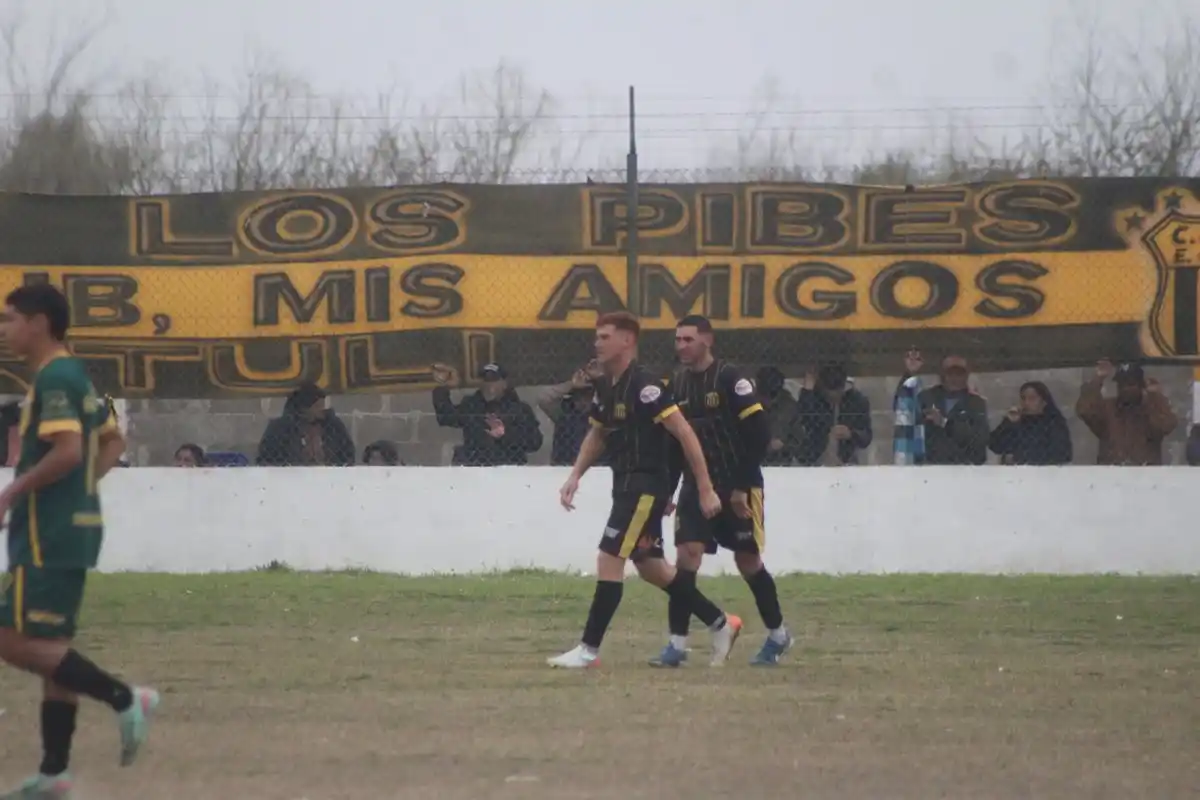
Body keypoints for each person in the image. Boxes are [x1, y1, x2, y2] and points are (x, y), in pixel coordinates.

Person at [0, 284, 159, 799]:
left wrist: (14, 493)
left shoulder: (58, 377)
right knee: (51, 648)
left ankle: (124, 698)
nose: (4, 330)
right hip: (68, 525)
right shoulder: (75, 374)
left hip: (48, 532)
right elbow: (113, 438)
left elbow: (68, 450)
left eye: (10, 319)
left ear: (39, 322)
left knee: (11, 636)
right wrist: (81, 491)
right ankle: (54, 773)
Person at [548, 311, 742, 669]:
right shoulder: (606, 384)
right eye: (597, 336)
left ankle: (588, 650)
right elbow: (598, 433)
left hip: (644, 487)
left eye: (605, 337)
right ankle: (721, 623)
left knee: (609, 558)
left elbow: (685, 434)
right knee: (652, 567)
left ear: (627, 340)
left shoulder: (646, 385)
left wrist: (704, 488)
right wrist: (575, 475)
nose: (597, 342)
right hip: (622, 485)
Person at [650, 315, 792, 668]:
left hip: (737, 484)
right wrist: (668, 490)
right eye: (678, 340)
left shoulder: (731, 379)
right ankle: (677, 645)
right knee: (687, 556)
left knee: (748, 562)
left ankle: (778, 635)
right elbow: (672, 442)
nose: (681, 346)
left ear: (707, 340)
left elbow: (758, 434)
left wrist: (742, 486)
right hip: (696, 485)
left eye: (688, 339)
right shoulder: (677, 384)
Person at [431, 363, 543, 466]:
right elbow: (446, 417)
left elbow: (535, 442)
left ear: (504, 384)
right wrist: (444, 387)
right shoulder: (472, 405)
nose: (489, 385)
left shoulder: (519, 409)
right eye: (486, 380)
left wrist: (505, 434)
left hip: (507, 468)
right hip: (475, 467)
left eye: (494, 380)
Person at [1076, 360, 1177, 465]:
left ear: (1141, 386)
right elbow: (1085, 410)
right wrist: (1098, 379)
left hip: (1146, 477)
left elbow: (1166, 425)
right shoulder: (1108, 409)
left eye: (1131, 383)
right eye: (1122, 384)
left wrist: (1155, 396)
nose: (1126, 388)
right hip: (1109, 476)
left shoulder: (1150, 409)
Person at [255, 383, 355, 467]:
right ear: (304, 408)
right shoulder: (280, 428)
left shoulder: (334, 426)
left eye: (323, 405)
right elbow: (266, 457)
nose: (322, 410)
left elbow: (348, 453)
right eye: (317, 406)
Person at [795, 363, 873, 466]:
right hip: (815, 458)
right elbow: (803, 419)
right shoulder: (814, 399)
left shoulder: (857, 401)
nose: (833, 397)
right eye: (828, 393)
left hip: (847, 460)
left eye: (837, 392)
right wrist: (807, 392)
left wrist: (851, 434)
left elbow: (866, 436)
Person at [988, 382, 1073, 465]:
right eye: (1023, 398)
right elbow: (995, 446)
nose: (1026, 403)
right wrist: (1008, 423)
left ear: (1044, 402)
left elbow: (1062, 454)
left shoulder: (1054, 423)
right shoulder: (1018, 422)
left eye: (1032, 398)